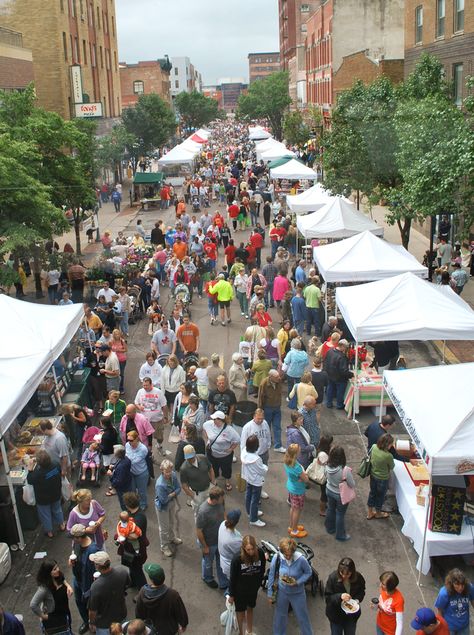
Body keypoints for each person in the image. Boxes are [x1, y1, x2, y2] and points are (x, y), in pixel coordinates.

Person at [267, 537, 314, 635]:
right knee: (280, 617)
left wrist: (298, 582)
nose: (288, 557)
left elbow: (308, 572)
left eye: (290, 555)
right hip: (282, 592)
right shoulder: (278, 557)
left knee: (302, 617)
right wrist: (270, 593)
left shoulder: (301, 559)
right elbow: (271, 574)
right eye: (286, 555)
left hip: (298, 593)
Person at [135, 563, 189, 635]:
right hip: (169, 630)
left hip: (151, 629)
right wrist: (184, 625)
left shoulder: (142, 592)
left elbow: (138, 613)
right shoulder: (173, 594)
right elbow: (181, 613)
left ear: (151, 579)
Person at [228, 535, 266, 635]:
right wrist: (231, 595)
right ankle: (240, 632)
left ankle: (249, 631)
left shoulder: (260, 553)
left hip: (252, 590)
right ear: (244, 548)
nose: (251, 552)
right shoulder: (237, 559)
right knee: (240, 614)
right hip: (239, 592)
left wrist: (258, 584)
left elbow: (262, 570)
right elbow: (232, 578)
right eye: (248, 549)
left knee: (250, 609)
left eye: (252, 549)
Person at [69, 523, 100, 634]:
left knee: (91, 604)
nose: (73, 539)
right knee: (79, 602)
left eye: (74, 537)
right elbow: (74, 553)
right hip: (78, 580)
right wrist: (72, 561)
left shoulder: (92, 550)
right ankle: (86, 622)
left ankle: (94, 623)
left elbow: (97, 570)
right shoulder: (77, 544)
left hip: (88, 583)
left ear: (79, 537)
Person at [88, 551, 129, 635]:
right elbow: (127, 584)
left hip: (105, 625)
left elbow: (93, 611)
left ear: (97, 566)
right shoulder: (122, 571)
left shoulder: (96, 586)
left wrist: (91, 622)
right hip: (121, 615)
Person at [26, 450, 65, 538]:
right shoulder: (55, 464)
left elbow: (30, 480)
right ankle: (61, 524)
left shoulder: (37, 473)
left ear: (39, 463)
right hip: (56, 493)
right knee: (57, 509)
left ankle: (49, 532)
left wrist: (30, 469)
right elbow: (59, 471)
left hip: (43, 498)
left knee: (45, 514)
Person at [196, 485, 228, 589]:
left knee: (221, 562)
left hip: (220, 540)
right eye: (221, 498)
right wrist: (205, 546)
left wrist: (226, 524)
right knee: (208, 563)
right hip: (209, 543)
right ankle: (207, 578)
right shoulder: (203, 511)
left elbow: (223, 512)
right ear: (215, 499)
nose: (223, 499)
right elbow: (199, 530)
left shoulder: (220, 502)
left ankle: (223, 582)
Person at [30, 559, 73, 635]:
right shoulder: (44, 589)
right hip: (54, 616)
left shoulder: (59, 576)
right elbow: (33, 604)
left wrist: (68, 586)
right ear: (48, 573)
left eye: (57, 567)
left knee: (68, 626)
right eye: (54, 569)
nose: (58, 570)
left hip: (65, 610)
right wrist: (43, 616)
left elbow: (63, 580)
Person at [324, 557, 366, 635]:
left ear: (352, 572)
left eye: (347, 574)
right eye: (341, 573)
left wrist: (356, 601)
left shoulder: (358, 577)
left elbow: (361, 591)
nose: (344, 576)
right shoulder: (332, 578)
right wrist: (340, 596)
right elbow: (328, 598)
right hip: (336, 616)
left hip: (351, 616)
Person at [203, 411, 240, 492]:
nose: (212, 420)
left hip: (225, 456)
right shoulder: (209, 424)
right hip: (212, 453)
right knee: (213, 468)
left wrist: (231, 449)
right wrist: (208, 439)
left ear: (220, 420)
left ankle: (227, 481)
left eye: (214, 419)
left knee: (226, 469)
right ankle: (214, 480)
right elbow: (204, 427)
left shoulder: (229, 430)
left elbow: (237, 440)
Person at [325, 446, 355, 542]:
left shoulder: (327, 465)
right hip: (340, 494)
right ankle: (340, 535)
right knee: (340, 514)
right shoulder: (344, 470)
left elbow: (325, 475)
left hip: (329, 490)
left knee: (330, 508)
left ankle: (330, 528)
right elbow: (352, 484)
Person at [154, 459, 182, 558]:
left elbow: (179, 488)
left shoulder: (173, 475)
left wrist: (172, 494)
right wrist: (173, 494)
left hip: (171, 503)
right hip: (163, 507)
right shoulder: (160, 484)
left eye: (170, 470)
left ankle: (171, 537)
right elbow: (163, 500)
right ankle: (164, 546)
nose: (169, 473)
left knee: (171, 522)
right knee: (164, 528)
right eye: (167, 472)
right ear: (162, 471)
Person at [134, 377, 169, 455]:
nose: (145, 387)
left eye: (147, 385)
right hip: (145, 421)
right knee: (144, 437)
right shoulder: (140, 392)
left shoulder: (158, 392)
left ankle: (159, 446)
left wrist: (166, 417)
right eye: (144, 385)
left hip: (157, 420)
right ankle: (147, 452)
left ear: (151, 384)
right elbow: (136, 402)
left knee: (159, 437)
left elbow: (164, 405)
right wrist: (139, 407)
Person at [434, 568, 474, 635]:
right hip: (449, 627)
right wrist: (440, 627)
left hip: (464, 626)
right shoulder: (444, 593)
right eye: (457, 584)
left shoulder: (469, 588)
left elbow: (473, 601)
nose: (460, 587)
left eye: (462, 584)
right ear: (451, 583)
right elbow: (439, 610)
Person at [241, 434, 268, 528]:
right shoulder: (256, 459)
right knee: (255, 500)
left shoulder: (244, 451)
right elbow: (262, 470)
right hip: (256, 481)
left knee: (248, 494)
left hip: (248, 477)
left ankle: (250, 512)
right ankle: (253, 519)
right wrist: (266, 467)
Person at [284, 443, 310, 538]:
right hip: (298, 490)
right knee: (297, 510)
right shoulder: (297, 467)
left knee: (293, 508)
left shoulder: (287, 461)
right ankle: (294, 531)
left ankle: (292, 526)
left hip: (291, 487)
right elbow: (306, 479)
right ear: (295, 454)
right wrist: (305, 475)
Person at [367, 433, 395, 520]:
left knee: (372, 493)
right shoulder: (388, 456)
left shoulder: (374, 446)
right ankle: (378, 513)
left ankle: (369, 512)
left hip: (373, 475)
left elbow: (370, 455)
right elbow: (392, 466)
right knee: (380, 496)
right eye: (391, 444)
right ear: (387, 445)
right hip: (383, 479)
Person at [258, 369, 284, 452]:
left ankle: (278, 446)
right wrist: (260, 409)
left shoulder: (279, 381)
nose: (278, 378)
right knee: (266, 426)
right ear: (270, 377)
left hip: (277, 407)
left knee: (277, 427)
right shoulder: (264, 383)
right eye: (276, 377)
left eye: (278, 376)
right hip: (267, 407)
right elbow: (260, 397)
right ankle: (267, 442)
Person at [325, 339, 353, 409]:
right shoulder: (342, 357)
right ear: (342, 346)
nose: (346, 349)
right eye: (346, 347)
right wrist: (351, 374)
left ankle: (329, 403)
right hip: (339, 378)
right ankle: (339, 404)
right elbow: (344, 371)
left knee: (330, 388)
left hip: (330, 374)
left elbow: (325, 361)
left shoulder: (330, 351)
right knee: (340, 391)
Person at [217, 509, 242, 584]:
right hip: (230, 564)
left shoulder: (223, 524)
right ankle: (228, 594)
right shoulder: (233, 540)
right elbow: (241, 552)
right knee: (233, 582)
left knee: (228, 579)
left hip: (223, 558)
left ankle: (224, 586)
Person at [376, 571, 404, 635]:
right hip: (380, 624)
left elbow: (399, 623)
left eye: (383, 584)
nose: (380, 585)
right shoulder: (383, 590)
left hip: (390, 630)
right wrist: (376, 606)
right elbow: (382, 606)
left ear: (390, 587)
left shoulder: (399, 600)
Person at [108, 445, 132, 510]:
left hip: (122, 488)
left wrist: (111, 475)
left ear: (117, 455)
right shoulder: (126, 459)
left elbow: (118, 480)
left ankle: (126, 513)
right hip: (127, 482)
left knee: (123, 502)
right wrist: (114, 466)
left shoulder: (121, 467)